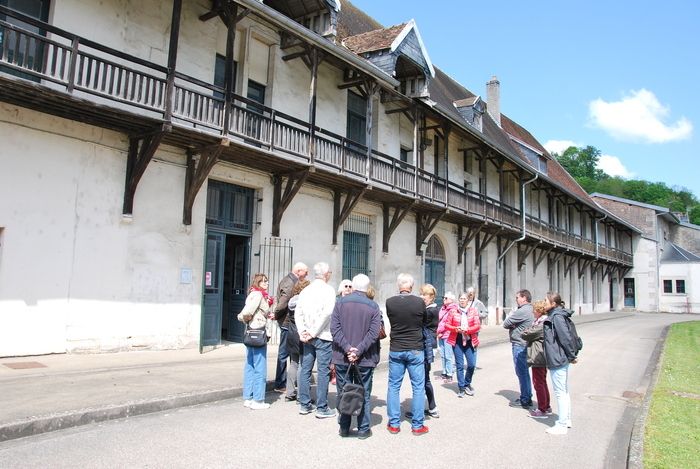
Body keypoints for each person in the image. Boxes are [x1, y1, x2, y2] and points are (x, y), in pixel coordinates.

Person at [330, 274, 382, 439]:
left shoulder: (340, 303)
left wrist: (348, 349)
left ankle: (344, 428)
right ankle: (363, 428)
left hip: (342, 356)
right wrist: (357, 350)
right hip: (365, 358)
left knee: (344, 391)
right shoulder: (373, 306)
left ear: (353, 286)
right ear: (367, 288)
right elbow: (374, 333)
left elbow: (334, 329)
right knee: (364, 392)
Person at [385, 273, 429, 436]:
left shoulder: (390, 302)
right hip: (415, 348)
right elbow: (424, 322)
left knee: (394, 386)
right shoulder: (419, 302)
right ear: (411, 286)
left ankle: (394, 423)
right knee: (418, 387)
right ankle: (417, 425)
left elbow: (392, 320)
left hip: (396, 347)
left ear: (399, 286)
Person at [295, 262, 337, 419]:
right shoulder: (329, 290)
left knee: (305, 369)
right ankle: (321, 407)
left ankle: (304, 404)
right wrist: (312, 332)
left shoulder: (306, 290)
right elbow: (327, 314)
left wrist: (303, 331)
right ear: (326, 274)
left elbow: (298, 312)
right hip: (323, 336)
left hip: (307, 336)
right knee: (323, 372)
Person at [543, 292, 578, 435]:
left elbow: (565, 338)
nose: (544, 303)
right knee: (563, 390)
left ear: (553, 303)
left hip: (558, 358)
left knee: (560, 392)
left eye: (546, 301)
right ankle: (566, 419)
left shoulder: (556, 317)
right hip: (559, 357)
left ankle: (562, 424)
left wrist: (571, 355)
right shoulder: (555, 315)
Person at [237, 273, 274, 410]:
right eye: (264, 282)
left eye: (267, 281)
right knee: (259, 366)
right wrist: (244, 318)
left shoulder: (253, 294)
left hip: (251, 332)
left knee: (250, 365)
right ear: (258, 283)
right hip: (258, 332)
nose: (267, 284)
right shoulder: (258, 295)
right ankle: (258, 399)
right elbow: (247, 312)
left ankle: (248, 397)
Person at [272, 262, 308, 393]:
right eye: (305, 271)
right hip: (287, 323)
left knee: (291, 354)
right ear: (298, 271)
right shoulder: (290, 282)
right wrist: (276, 314)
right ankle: (280, 382)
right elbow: (283, 303)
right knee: (284, 353)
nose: (307, 274)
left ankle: (289, 382)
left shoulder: (291, 280)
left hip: (288, 322)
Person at [444, 291, 481, 397]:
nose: (462, 300)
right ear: (458, 300)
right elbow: (447, 325)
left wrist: (468, 330)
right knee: (459, 365)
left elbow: (477, 325)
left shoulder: (473, 311)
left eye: (464, 299)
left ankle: (467, 383)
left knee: (471, 364)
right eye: (461, 299)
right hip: (457, 340)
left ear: (468, 300)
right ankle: (461, 387)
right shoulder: (453, 311)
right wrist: (456, 329)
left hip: (469, 340)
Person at [503, 289, 534, 408]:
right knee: (524, 372)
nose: (516, 299)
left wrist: (513, 324)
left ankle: (525, 399)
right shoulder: (530, 309)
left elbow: (506, 323)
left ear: (524, 298)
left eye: (517, 297)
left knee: (522, 372)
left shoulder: (522, 311)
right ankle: (527, 396)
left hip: (520, 344)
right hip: (526, 343)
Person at [522, 300, 551, 418]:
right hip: (540, 354)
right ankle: (546, 406)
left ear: (539, 311)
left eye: (534, 310)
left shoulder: (542, 323)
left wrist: (526, 331)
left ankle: (542, 409)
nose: (533, 312)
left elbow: (526, 334)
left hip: (539, 355)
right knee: (542, 381)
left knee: (538, 382)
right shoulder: (540, 321)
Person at [284, 278, 310, 402]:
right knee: (303, 365)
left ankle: (289, 392)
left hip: (291, 333)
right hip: (301, 333)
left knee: (294, 363)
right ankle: (301, 394)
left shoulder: (292, 300)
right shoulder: (305, 300)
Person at [418, 284, 440, 417]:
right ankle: (431, 407)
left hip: (427, 346)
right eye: (421, 294)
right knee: (424, 378)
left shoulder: (430, 311)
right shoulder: (429, 309)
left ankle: (430, 408)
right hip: (429, 345)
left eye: (425, 294)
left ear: (431, 297)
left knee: (424, 379)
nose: (422, 297)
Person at [330, 279, 353, 386]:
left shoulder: (353, 301)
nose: (348, 288)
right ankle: (334, 375)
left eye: (350, 286)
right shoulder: (336, 301)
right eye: (346, 286)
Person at [436, 292, 458, 383]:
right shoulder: (442, 308)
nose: (444, 299)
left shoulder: (453, 309)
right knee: (442, 355)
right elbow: (439, 321)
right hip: (441, 334)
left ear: (451, 300)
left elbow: (449, 323)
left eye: (446, 298)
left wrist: (441, 332)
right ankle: (444, 373)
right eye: (443, 297)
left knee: (448, 355)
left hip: (448, 334)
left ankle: (449, 375)